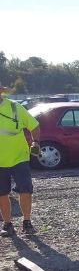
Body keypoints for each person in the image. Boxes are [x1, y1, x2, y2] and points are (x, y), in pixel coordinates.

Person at [0, 83, 40, 237]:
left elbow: (34, 126)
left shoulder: (15, 108)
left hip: (19, 157)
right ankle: (8, 224)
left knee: (25, 189)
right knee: (2, 193)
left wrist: (36, 142)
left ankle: (27, 222)